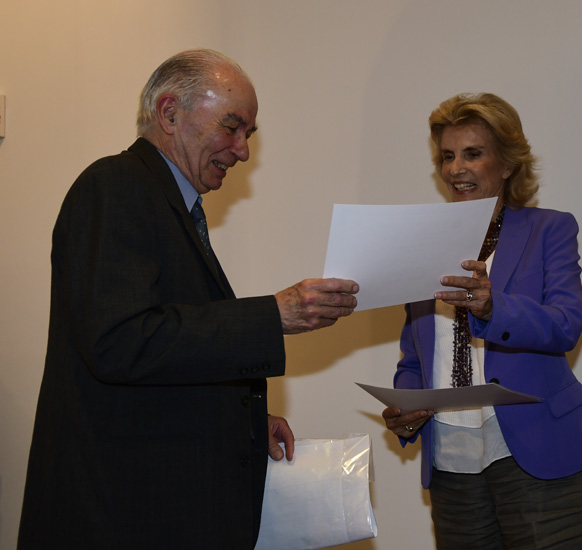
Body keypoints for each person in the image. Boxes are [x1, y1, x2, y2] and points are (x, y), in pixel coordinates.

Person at [17, 49, 358, 549]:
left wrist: (240, 419)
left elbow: (164, 351)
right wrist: (273, 314)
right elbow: (119, 342)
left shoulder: (164, 200)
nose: (242, 150)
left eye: (249, 135)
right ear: (170, 113)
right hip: (122, 515)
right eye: (232, 127)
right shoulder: (114, 187)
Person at [381, 93, 582, 549]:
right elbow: (416, 358)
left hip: (539, 452)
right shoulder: (421, 244)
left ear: (507, 164)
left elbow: (567, 324)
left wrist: (493, 308)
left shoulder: (550, 229)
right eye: (447, 156)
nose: (455, 169)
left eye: (472, 154)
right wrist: (406, 406)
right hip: (451, 463)